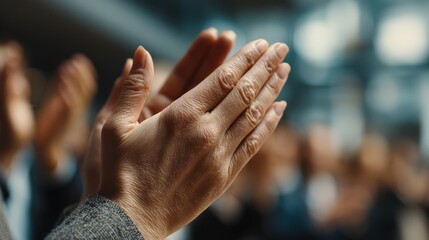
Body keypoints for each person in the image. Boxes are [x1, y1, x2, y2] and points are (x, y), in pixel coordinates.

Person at [46, 28, 291, 239]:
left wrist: (99, 199)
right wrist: (131, 207)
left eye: (179, 116)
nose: (168, 131)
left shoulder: (202, 210)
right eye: (159, 118)